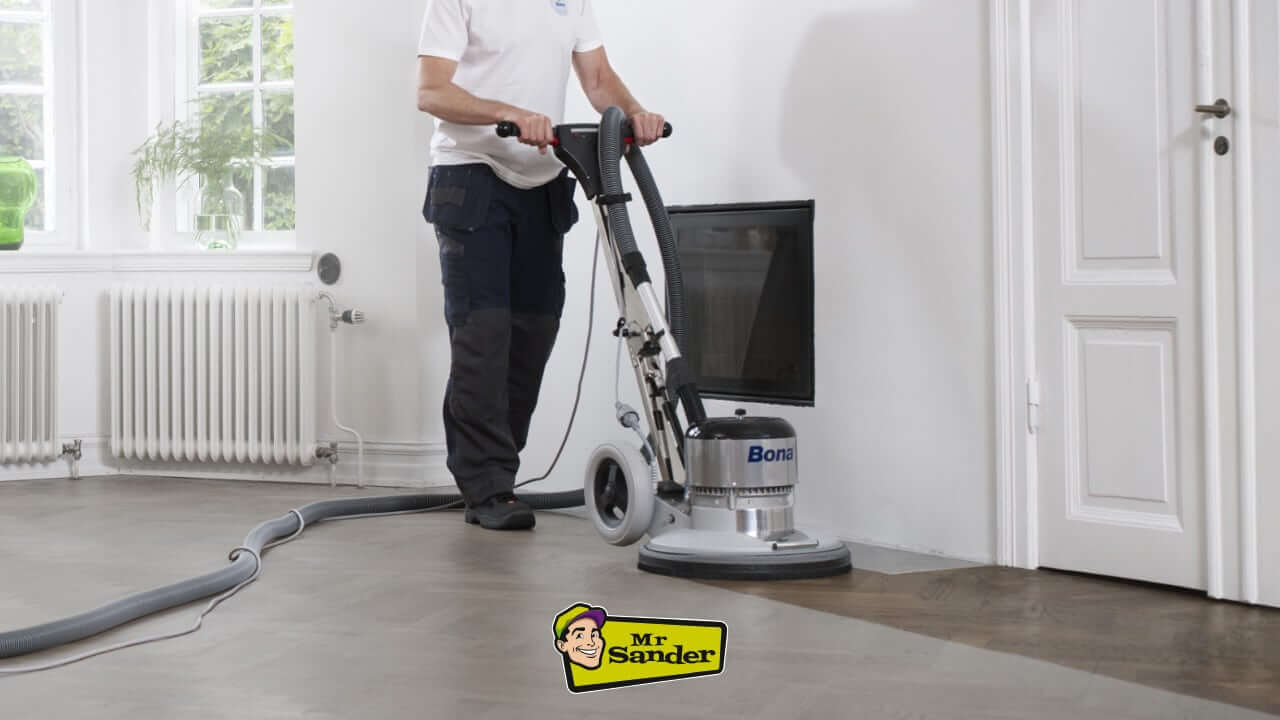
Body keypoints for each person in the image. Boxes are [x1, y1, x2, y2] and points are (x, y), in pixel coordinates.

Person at [417, 0, 665, 530]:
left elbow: (597, 78)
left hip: (544, 179)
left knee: (535, 330)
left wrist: (635, 113)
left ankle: (498, 473)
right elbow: (432, 91)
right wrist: (504, 113)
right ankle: (487, 486)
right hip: (471, 174)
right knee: (483, 335)